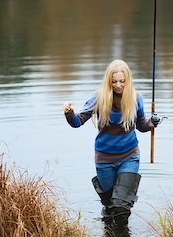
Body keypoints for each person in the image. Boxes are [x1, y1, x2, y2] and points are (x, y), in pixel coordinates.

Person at [63, 59, 158, 224]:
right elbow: (77, 122)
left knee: (121, 208)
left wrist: (152, 123)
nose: (119, 85)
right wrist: (69, 113)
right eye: (114, 81)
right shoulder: (99, 98)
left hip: (130, 156)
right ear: (109, 81)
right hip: (104, 159)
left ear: (127, 80)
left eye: (122, 81)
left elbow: (142, 125)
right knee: (109, 207)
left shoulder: (136, 98)